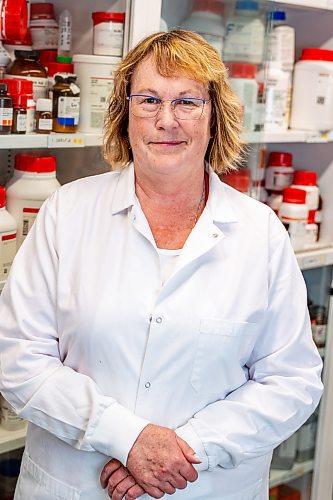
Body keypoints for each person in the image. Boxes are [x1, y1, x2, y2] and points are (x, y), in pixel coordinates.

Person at [0, 29, 323, 500]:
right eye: (149, 99)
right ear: (124, 114)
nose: (167, 120)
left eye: (188, 102)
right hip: (75, 486)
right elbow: (18, 357)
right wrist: (126, 438)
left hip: (205, 487)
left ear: (216, 117)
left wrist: (186, 448)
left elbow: (290, 380)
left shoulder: (261, 232)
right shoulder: (66, 213)